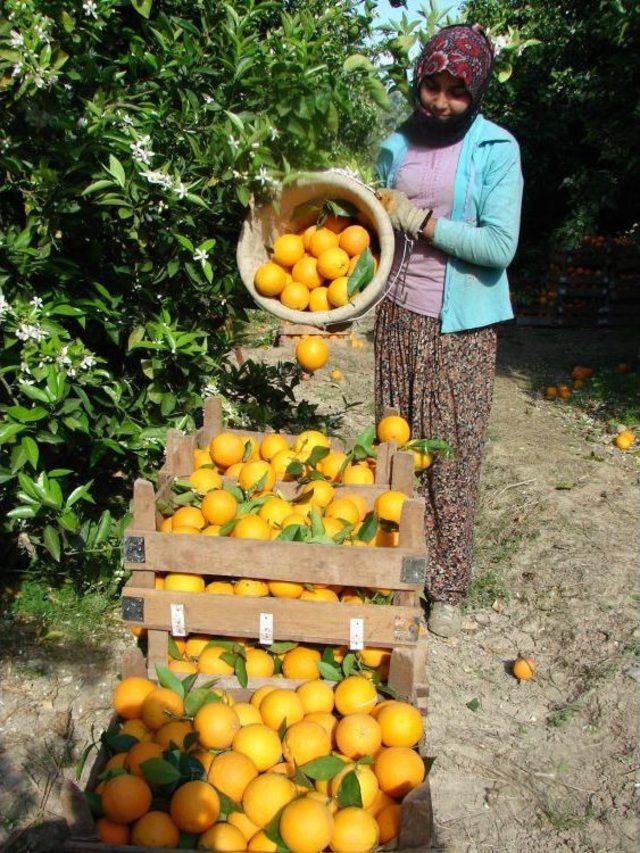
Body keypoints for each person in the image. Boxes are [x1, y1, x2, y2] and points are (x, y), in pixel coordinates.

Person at [374, 23, 523, 638]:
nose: (438, 100)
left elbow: (499, 245)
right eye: (430, 85)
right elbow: (373, 230)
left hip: (461, 329)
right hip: (398, 318)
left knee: (452, 460)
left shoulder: (496, 149)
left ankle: (448, 587)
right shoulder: (394, 143)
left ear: (477, 90)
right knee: (393, 448)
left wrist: (425, 223)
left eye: (455, 91)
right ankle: (396, 570)